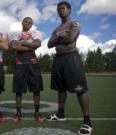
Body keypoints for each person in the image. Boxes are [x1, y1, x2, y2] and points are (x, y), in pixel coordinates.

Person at [46, 1, 92, 135]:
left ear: (69, 10)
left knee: (80, 89)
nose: (60, 10)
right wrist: (60, 36)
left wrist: (57, 39)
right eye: (58, 9)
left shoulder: (74, 23)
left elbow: (71, 38)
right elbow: (49, 44)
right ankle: (60, 114)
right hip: (58, 59)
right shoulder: (56, 29)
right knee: (61, 89)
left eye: (63, 8)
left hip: (71, 57)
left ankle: (87, 122)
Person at [9, 17, 44, 123]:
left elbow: (37, 44)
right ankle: (18, 113)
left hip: (33, 64)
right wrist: (31, 46)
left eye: (30, 23)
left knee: (36, 90)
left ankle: (37, 113)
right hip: (20, 64)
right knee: (18, 91)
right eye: (26, 22)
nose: (28, 24)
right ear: (22, 23)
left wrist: (23, 43)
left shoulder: (36, 33)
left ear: (31, 25)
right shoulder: (14, 34)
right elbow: (15, 47)